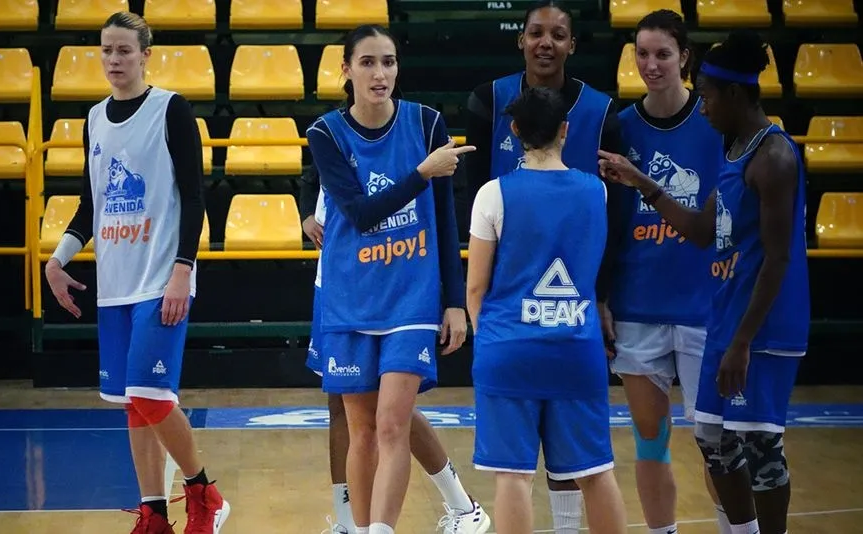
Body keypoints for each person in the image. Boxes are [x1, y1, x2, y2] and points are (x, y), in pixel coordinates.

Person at [599, 29, 810, 534]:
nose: (704, 107)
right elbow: (697, 229)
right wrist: (643, 182)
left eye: (710, 97)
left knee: (760, 445)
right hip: (727, 319)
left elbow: (778, 260)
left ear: (733, 95)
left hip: (763, 329)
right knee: (713, 440)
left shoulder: (775, 157)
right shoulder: (735, 150)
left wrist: (740, 342)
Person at [43, 12, 230, 534]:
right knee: (132, 403)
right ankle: (153, 513)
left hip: (161, 279)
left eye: (124, 50)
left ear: (146, 54)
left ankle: (204, 492)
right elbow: (91, 206)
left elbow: (194, 200)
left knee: (151, 396)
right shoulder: (94, 118)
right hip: (115, 284)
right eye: (106, 50)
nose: (114, 60)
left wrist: (182, 270)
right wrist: (58, 260)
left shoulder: (171, 109)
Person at [306, 23, 476, 534]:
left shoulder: (426, 123)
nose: (380, 73)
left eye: (389, 62)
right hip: (350, 297)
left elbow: (445, 221)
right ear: (346, 69)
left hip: (411, 298)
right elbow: (359, 213)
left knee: (391, 424)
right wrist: (421, 173)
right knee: (359, 430)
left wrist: (453, 301)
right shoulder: (325, 133)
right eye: (368, 62)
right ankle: (362, 527)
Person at [464, 3, 628, 530]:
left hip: (508, 345)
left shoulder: (493, 192)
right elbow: (595, 261)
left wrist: (484, 331)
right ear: (565, 128)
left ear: (511, 129)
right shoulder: (596, 191)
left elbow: (476, 288)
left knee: (513, 478)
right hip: (575, 346)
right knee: (597, 472)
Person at [302, 187, 489, 534]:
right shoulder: (328, 134)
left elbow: (439, 211)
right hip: (334, 282)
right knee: (347, 406)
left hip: (389, 279)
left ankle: (462, 505)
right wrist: (307, 214)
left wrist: (452, 298)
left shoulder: (410, 140)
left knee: (388, 412)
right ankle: (348, 522)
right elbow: (314, 175)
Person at [606, 10, 729, 534]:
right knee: (650, 441)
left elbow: (721, 223)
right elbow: (608, 221)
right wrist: (603, 295)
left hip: (704, 307)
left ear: (685, 58)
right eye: (642, 53)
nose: (651, 65)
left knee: (719, 445)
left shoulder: (713, 123)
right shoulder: (621, 127)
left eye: (662, 54)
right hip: (638, 308)